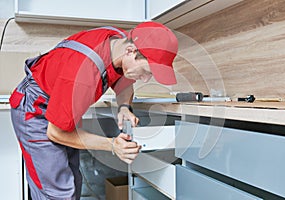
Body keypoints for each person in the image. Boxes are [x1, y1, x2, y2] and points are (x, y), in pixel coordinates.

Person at [9, 21, 178, 199]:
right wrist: (112, 145)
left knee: (73, 182)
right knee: (57, 192)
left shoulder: (118, 42)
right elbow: (56, 133)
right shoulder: (84, 75)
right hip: (35, 111)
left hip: (61, 102)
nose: (144, 79)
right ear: (131, 52)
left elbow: (124, 79)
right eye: (145, 71)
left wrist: (124, 107)